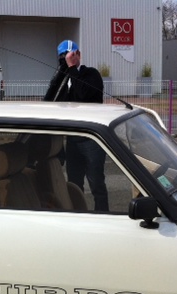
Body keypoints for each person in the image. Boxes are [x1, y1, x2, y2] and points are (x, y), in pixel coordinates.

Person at [43, 40, 109, 211]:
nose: (67, 59)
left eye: (70, 55)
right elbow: (48, 100)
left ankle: (103, 214)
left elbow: (83, 95)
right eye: (63, 57)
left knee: (97, 183)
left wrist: (72, 68)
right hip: (73, 139)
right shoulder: (64, 79)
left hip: (92, 139)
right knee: (74, 184)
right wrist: (61, 73)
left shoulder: (91, 74)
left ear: (78, 54)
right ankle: (78, 213)